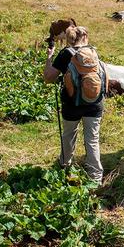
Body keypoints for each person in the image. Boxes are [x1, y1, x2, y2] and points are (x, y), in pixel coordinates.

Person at [43, 25, 104, 184]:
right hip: (95, 104)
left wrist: (49, 57)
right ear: (86, 37)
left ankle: (64, 164)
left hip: (72, 105)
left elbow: (49, 78)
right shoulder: (94, 52)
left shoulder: (65, 54)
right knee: (92, 140)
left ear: (69, 39)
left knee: (69, 134)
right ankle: (96, 178)